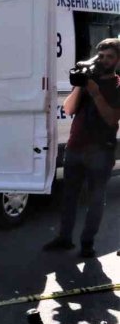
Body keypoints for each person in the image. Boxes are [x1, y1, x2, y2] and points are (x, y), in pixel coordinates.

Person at [43, 38, 120, 258]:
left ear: (118, 60)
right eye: (102, 56)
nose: (104, 60)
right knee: (69, 197)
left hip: (101, 152)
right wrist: (81, 85)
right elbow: (68, 109)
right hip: (75, 147)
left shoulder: (117, 86)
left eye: (110, 57)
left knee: (96, 198)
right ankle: (64, 238)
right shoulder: (88, 82)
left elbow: (112, 118)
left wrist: (96, 93)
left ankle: (87, 243)